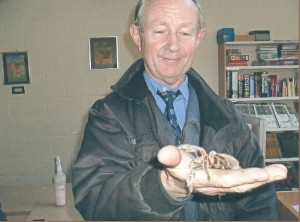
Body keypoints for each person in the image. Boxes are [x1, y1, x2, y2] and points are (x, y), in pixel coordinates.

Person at [72, 0, 287, 220]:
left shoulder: (228, 116)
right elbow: (95, 201)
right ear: (138, 36)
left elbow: (260, 206)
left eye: (184, 33)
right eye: (159, 31)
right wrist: (166, 187)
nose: (173, 45)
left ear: (198, 39)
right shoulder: (109, 114)